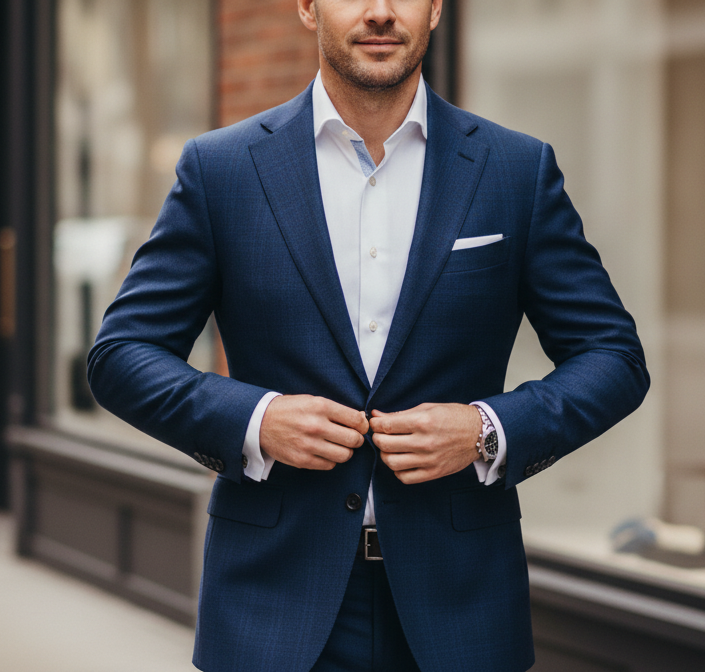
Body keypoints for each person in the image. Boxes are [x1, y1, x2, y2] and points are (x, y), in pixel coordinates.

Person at [88, 1, 649, 669]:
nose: (380, 12)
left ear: (436, 8)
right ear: (307, 7)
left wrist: (486, 430)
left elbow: (613, 357)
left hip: (461, 604)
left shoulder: (514, 169)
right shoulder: (222, 170)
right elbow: (122, 355)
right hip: (272, 603)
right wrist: (258, 420)